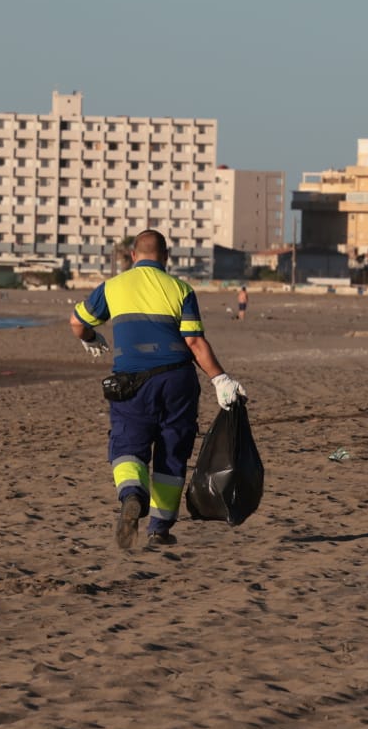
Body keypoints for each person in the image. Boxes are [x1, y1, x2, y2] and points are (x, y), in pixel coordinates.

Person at [70, 229, 240, 552]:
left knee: (127, 445)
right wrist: (220, 379)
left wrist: (91, 338)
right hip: (178, 381)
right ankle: (160, 529)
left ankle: (132, 495)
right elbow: (194, 342)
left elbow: (78, 322)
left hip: (130, 382)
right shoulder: (180, 289)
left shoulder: (112, 287)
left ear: (133, 255)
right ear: (166, 257)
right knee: (172, 451)